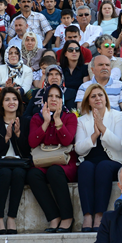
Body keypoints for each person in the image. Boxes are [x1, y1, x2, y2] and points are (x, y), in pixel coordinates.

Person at [76, 84, 122, 232]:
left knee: (103, 167)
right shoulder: (82, 120)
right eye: (93, 96)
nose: (97, 98)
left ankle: (99, 215)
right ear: (88, 101)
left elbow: (120, 145)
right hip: (90, 160)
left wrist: (102, 128)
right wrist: (95, 134)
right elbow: (79, 149)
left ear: (105, 98)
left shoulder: (117, 116)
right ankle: (87, 215)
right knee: (85, 167)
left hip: (113, 160)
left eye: (100, 95)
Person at [27, 84, 77, 233]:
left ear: (62, 100)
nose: (53, 99)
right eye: (50, 96)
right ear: (45, 99)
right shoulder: (37, 118)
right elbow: (32, 142)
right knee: (32, 174)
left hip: (64, 163)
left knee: (54, 171)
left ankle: (67, 217)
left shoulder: (70, 117)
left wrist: (57, 121)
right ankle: (54, 217)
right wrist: (46, 122)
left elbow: (67, 141)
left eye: (57, 96)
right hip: (43, 161)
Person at [0, 87, 32, 234]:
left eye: (14, 99)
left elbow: (27, 152)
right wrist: (6, 138)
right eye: (7, 99)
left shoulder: (26, 122)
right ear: (1, 103)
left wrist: (18, 135)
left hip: (19, 166)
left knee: (18, 173)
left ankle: (11, 217)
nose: (12, 102)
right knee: (5, 173)